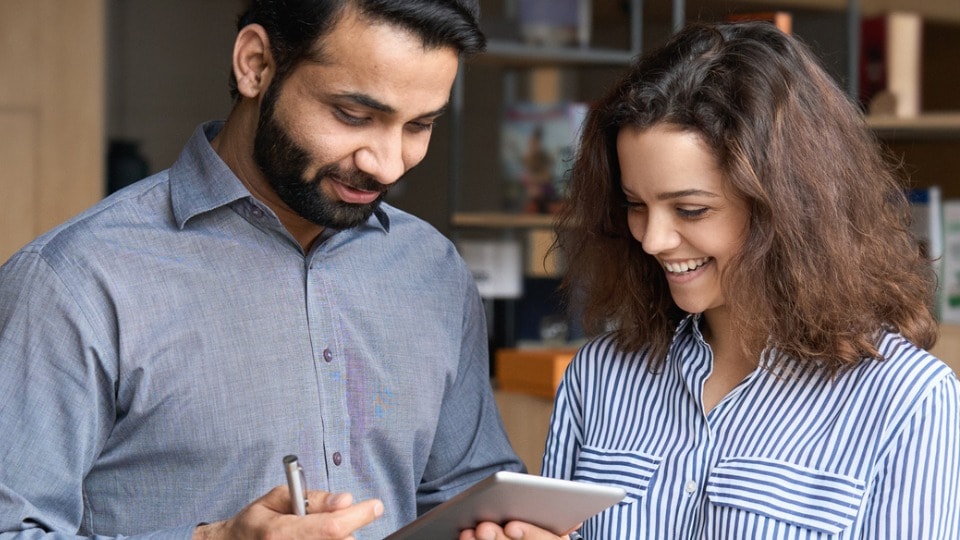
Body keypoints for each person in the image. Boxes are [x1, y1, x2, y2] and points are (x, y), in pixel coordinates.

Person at [0, 2, 547, 539]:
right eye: (354, 116)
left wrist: (506, 528)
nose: (387, 164)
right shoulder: (74, 281)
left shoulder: (433, 270)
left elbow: (466, 492)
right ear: (256, 64)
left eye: (419, 125)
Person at [541, 21, 960, 539]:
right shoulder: (600, 378)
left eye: (691, 209)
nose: (652, 240)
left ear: (788, 210)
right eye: (635, 205)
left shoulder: (907, 401)